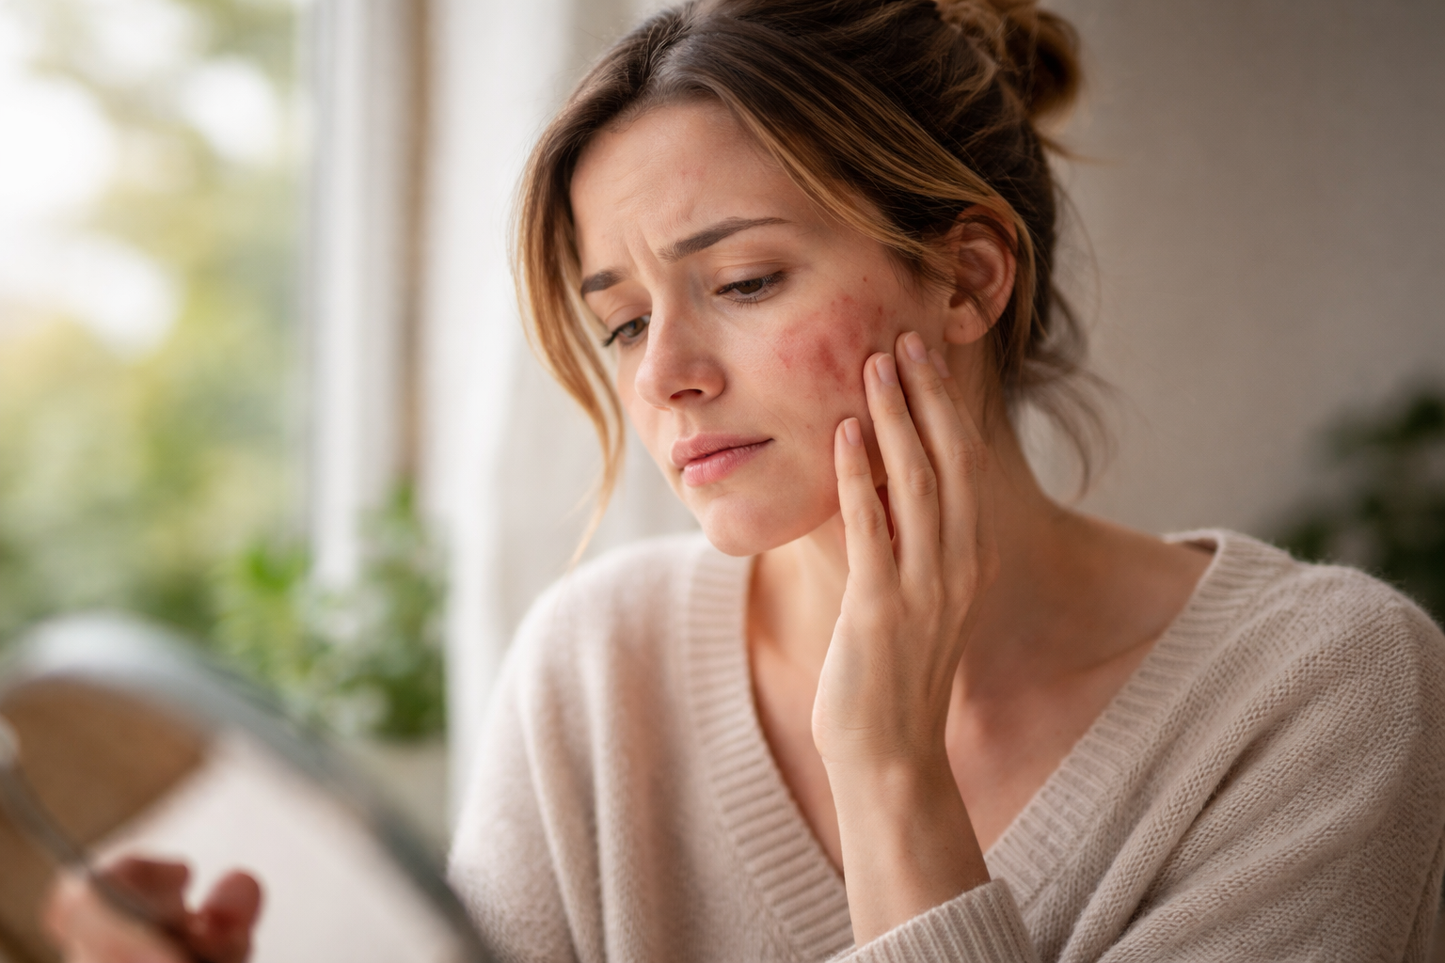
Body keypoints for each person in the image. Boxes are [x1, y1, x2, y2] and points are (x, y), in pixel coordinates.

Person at [46, 0, 1445, 960]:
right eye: (624, 319)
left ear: (968, 274)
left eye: (744, 280)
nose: (663, 377)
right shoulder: (601, 670)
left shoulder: (1323, 692)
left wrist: (890, 768)